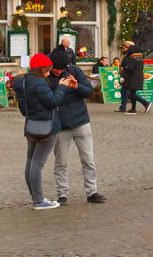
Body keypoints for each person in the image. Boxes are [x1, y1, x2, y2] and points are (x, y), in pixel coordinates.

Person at [14, 53, 74, 210]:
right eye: (47, 70)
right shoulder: (40, 83)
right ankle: (39, 200)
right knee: (37, 163)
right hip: (47, 127)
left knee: (30, 161)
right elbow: (53, 101)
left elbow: (24, 107)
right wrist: (62, 87)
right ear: (40, 69)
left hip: (31, 125)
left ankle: (35, 196)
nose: (49, 72)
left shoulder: (25, 81)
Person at [49, 49, 104, 204]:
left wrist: (76, 86)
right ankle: (62, 194)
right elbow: (48, 99)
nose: (58, 71)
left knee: (88, 160)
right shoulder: (46, 77)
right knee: (61, 162)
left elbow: (89, 92)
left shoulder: (74, 71)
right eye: (55, 69)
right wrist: (59, 87)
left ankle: (92, 192)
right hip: (61, 125)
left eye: (61, 69)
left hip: (81, 121)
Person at [119, 41, 150, 114]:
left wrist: (124, 68)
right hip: (138, 77)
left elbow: (131, 68)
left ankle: (146, 103)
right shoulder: (140, 58)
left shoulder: (133, 58)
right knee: (132, 93)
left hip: (133, 78)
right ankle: (133, 109)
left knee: (131, 94)